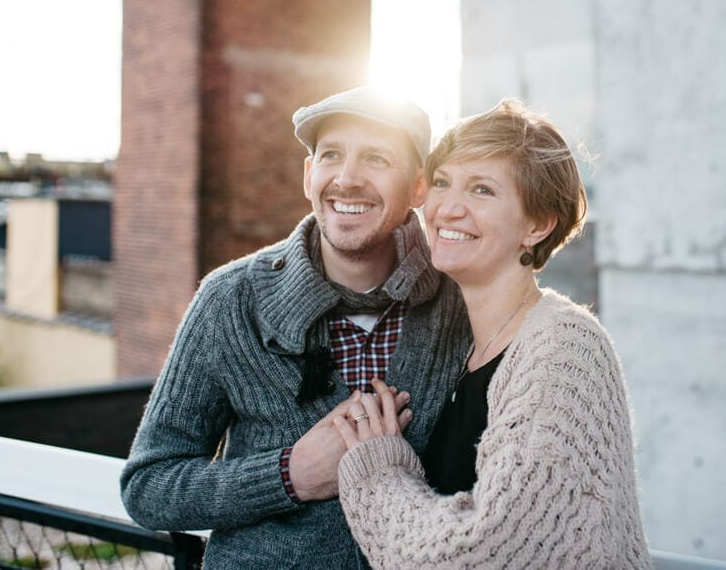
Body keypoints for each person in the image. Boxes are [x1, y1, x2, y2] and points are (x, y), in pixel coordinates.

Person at [120, 87, 471, 568]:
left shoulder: (460, 300)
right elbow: (148, 487)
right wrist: (291, 474)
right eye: (331, 155)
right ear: (309, 176)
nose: (347, 179)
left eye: (376, 158)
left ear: (418, 187)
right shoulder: (230, 300)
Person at [332, 100, 651, 569]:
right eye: (442, 182)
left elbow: (485, 553)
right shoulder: (460, 346)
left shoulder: (565, 350)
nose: (448, 208)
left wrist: (378, 470)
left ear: (537, 225)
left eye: (481, 189)